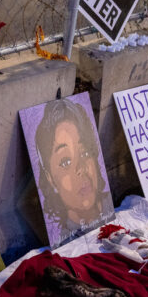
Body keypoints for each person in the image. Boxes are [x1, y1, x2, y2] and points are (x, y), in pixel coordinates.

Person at [34, 98, 113, 240]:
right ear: (50, 178)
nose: (81, 168)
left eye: (85, 153)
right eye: (65, 162)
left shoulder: (111, 210)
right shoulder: (64, 241)